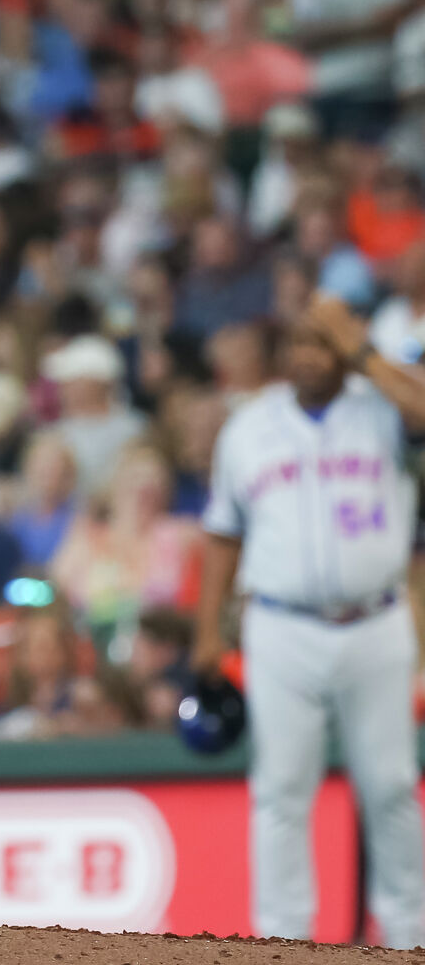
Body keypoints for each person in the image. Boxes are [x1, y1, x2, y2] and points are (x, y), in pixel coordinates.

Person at [193, 296, 425, 948]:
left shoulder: (384, 407)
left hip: (376, 619)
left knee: (390, 784)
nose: (307, 355)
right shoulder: (250, 429)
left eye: (321, 343)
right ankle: (283, 940)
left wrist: (365, 350)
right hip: (281, 625)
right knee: (281, 788)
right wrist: (206, 630)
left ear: (344, 351)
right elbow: (221, 533)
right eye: (298, 342)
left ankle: (409, 935)